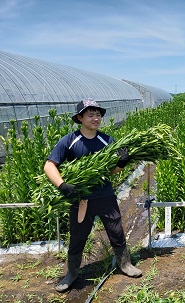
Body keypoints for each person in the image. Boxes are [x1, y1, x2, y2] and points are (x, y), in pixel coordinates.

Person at [44, 98, 142, 293]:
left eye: (98, 114)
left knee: (116, 231)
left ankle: (125, 264)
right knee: (78, 237)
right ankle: (72, 273)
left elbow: (110, 171)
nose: (96, 118)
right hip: (81, 199)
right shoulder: (69, 141)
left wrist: (121, 163)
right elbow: (49, 165)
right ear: (80, 117)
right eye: (91, 114)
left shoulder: (107, 140)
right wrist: (62, 185)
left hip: (105, 196)